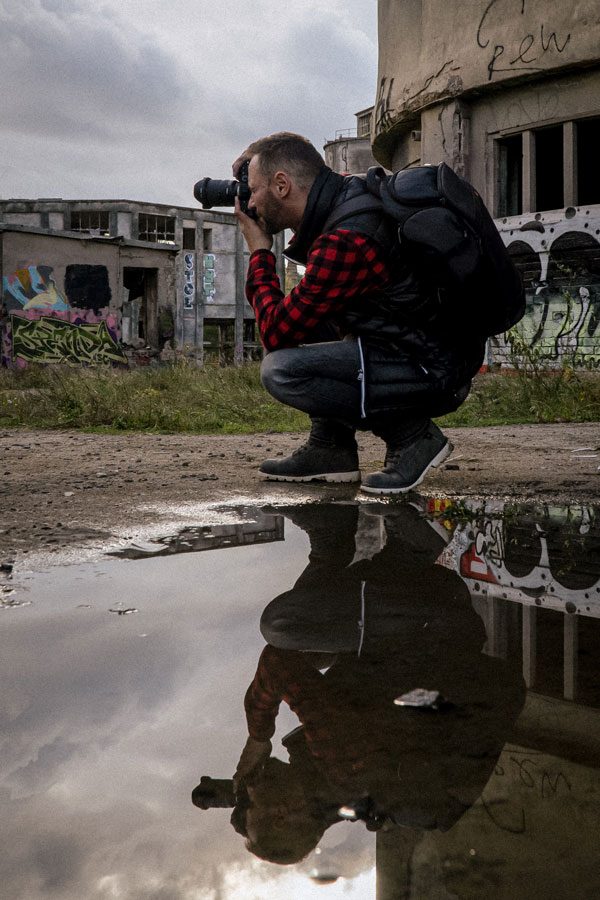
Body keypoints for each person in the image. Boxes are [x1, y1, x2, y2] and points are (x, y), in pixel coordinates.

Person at [233, 132, 486, 494]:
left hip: (432, 367)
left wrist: (260, 251)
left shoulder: (347, 237)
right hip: (418, 347)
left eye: (253, 190)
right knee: (311, 317)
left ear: (282, 185)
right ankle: (330, 448)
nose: (248, 202)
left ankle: (413, 437)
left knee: (281, 370)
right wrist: (256, 153)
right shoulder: (347, 195)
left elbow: (276, 332)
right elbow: (302, 317)